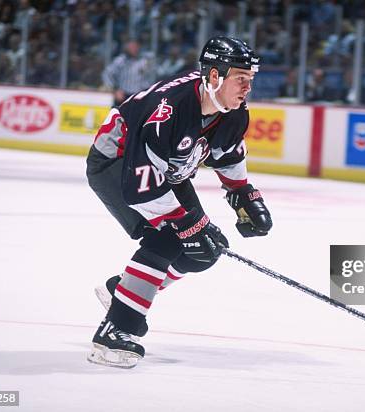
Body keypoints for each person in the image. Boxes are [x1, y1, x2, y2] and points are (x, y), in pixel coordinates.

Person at [85, 36, 273, 368]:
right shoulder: (169, 111)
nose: (247, 87)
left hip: (167, 172)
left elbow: (226, 155)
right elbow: (141, 187)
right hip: (116, 162)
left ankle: (125, 291)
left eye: (250, 80)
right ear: (214, 76)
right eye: (240, 79)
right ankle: (115, 330)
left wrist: (243, 195)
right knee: (172, 236)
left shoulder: (232, 110)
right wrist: (185, 225)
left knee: (207, 249)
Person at [102, 39, 156, 106]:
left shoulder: (144, 60)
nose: (134, 49)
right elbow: (107, 74)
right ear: (127, 48)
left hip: (139, 96)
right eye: (132, 47)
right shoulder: (121, 60)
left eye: (136, 47)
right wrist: (115, 90)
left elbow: (150, 77)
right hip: (124, 95)